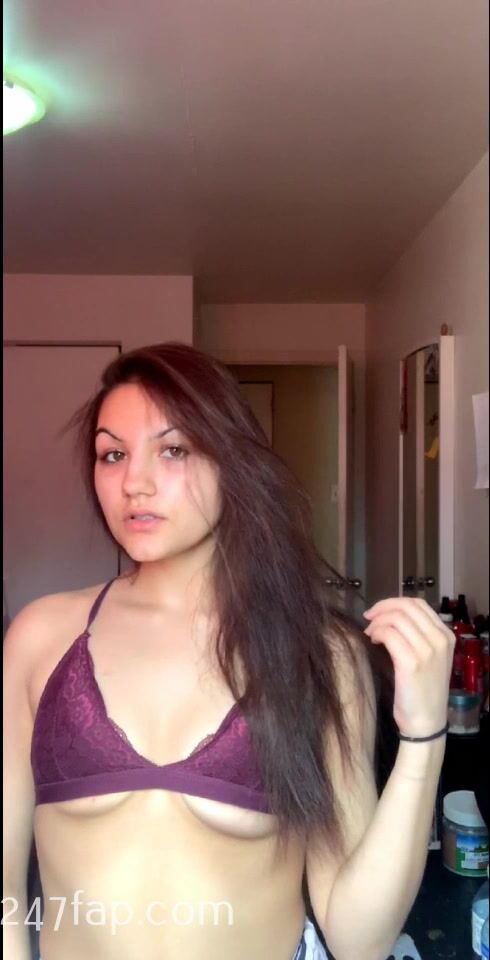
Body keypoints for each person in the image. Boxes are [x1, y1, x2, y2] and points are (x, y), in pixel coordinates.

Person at [3, 341, 455, 960]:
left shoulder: (316, 654)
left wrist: (424, 738)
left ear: (232, 462)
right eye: (113, 454)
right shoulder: (41, 638)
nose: (134, 482)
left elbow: (358, 940)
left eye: (173, 449)